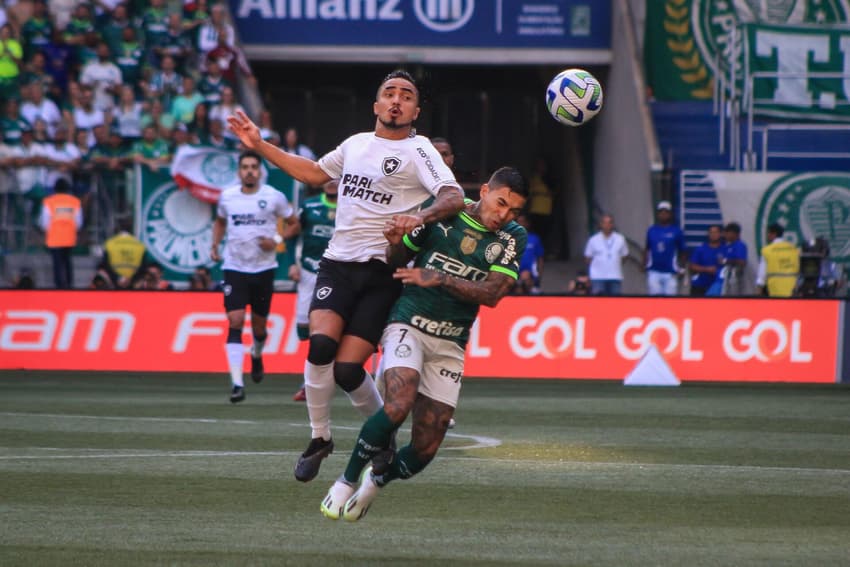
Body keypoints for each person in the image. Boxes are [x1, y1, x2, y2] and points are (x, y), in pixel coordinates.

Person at [227, 69, 465, 482]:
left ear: (415, 110)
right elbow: (315, 174)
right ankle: (320, 438)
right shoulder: (356, 145)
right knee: (320, 346)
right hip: (337, 264)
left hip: (382, 272)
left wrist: (420, 216)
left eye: (405, 96)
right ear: (376, 106)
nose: (396, 100)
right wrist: (260, 144)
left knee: (348, 371)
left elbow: (454, 195)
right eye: (388, 93)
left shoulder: (419, 149)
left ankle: (380, 435)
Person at [320, 166, 528, 521]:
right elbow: (396, 260)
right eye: (501, 203)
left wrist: (440, 277)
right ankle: (346, 480)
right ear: (484, 192)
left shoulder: (512, 237)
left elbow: (493, 294)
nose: (504, 215)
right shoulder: (444, 211)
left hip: (452, 342)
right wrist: (396, 240)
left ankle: (377, 480)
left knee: (426, 448)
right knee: (399, 403)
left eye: (513, 210)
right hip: (409, 322)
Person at [210, 150, 299, 403]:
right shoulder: (227, 197)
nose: (249, 171)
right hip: (235, 267)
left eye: (253, 167)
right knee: (235, 319)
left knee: (259, 327)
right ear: (239, 171)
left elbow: (294, 223)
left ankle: (257, 354)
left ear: (259, 171)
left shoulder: (273, 197)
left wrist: (277, 240)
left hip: (263, 269)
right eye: (245, 167)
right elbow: (219, 222)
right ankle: (237, 384)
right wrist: (214, 245)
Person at [289, 178, 338, 402]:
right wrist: (292, 263)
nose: (331, 182)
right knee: (303, 330)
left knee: (327, 328)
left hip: (337, 273)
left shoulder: (352, 206)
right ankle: (319, 374)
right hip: (308, 270)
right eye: (327, 178)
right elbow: (291, 234)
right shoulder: (308, 206)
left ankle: (311, 382)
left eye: (336, 178)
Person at [39, 178, 82, 289]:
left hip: (54, 237)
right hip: (69, 237)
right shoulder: (74, 201)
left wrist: (47, 231)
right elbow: (79, 221)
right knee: (67, 261)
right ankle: (69, 284)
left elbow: (45, 221)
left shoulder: (49, 201)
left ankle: (59, 287)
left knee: (57, 263)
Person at [643, 200, 686, 296]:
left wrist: (682, 268)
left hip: (670, 272)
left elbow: (683, 251)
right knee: (654, 301)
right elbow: (647, 248)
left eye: (666, 212)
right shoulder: (651, 230)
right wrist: (644, 263)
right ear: (658, 214)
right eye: (661, 212)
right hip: (654, 271)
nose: (663, 214)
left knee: (670, 302)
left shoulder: (676, 231)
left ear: (670, 214)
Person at [96, 218, 151, 289]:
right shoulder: (140, 245)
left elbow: (105, 265)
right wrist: (131, 280)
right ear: (132, 230)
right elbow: (143, 267)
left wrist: (118, 278)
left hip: (114, 283)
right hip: (133, 285)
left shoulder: (109, 244)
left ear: (118, 229)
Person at [584, 214, 628, 296]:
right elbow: (587, 258)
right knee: (599, 304)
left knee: (616, 304)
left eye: (609, 223)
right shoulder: (593, 240)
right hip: (598, 278)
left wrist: (615, 264)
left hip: (615, 277)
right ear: (601, 224)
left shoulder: (620, 239)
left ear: (613, 224)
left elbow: (625, 256)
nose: (607, 225)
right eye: (605, 223)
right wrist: (597, 267)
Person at [755, 223, 799, 298]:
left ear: (773, 234)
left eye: (768, 233)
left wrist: (758, 291)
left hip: (775, 290)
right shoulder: (794, 249)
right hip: (792, 291)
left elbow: (762, 274)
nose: (767, 236)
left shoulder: (767, 250)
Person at [688, 224, 725, 296]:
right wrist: (707, 269)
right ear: (708, 234)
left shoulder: (725, 249)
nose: (713, 235)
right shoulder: (701, 249)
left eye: (716, 232)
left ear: (720, 234)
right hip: (700, 285)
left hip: (718, 286)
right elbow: (692, 266)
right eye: (711, 232)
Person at [514, 212, 543, 294]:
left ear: (527, 223)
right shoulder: (512, 238)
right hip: (515, 272)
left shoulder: (535, 239)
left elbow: (540, 259)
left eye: (523, 221)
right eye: (519, 222)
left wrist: (538, 277)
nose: (521, 224)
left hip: (531, 274)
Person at [721, 222, 748, 296]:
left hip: (735, 279)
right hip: (726, 279)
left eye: (727, 233)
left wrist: (725, 261)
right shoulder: (727, 246)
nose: (725, 235)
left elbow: (742, 262)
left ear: (734, 233)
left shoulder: (739, 245)